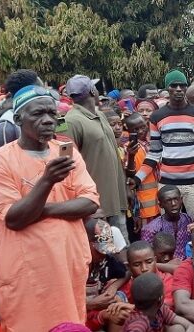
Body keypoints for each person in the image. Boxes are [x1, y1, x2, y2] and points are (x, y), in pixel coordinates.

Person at [0, 85, 99, 330]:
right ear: (18, 119)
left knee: (70, 325)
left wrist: (42, 211)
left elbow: (90, 202)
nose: (47, 120)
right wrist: (47, 181)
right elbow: (14, 218)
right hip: (29, 273)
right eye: (37, 114)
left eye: (51, 113)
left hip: (69, 265)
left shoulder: (67, 154)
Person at [135, 70, 194, 225]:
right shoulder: (156, 117)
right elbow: (154, 152)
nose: (178, 89)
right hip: (168, 184)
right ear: (167, 89)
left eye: (182, 85)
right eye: (174, 85)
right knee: (168, 228)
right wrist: (137, 178)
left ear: (186, 88)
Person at [62, 75, 129, 241]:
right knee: (108, 251)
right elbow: (66, 162)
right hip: (98, 206)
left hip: (115, 197)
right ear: (93, 91)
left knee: (121, 250)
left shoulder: (100, 116)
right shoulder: (70, 121)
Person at [0, 69, 42, 153]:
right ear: (27, 93)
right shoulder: (5, 128)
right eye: (40, 91)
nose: (44, 94)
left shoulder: (42, 119)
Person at [123, 272, 194, 332]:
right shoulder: (138, 323)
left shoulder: (161, 309)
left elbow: (190, 326)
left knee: (178, 328)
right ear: (160, 299)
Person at [123, 113, 159, 230]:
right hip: (144, 205)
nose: (141, 131)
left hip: (160, 200)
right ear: (129, 130)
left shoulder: (154, 143)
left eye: (143, 126)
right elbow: (130, 176)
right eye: (136, 129)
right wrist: (131, 155)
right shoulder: (127, 148)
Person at [141, 185, 193, 260]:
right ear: (161, 205)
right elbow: (146, 256)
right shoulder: (152, 228)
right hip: (163, 267)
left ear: (181, 200)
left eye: (176, 199)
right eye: (168, 201)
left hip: (186, 264)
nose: (173, 204)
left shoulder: (188, 219)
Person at [120, 241, 176, 307]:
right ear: (129, 267)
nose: (144, 269)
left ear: (155, 260)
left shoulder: (168, 280)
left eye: (149, 262)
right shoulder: (125, 285)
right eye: (137, 265)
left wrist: (131, 308)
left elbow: (165, 307)